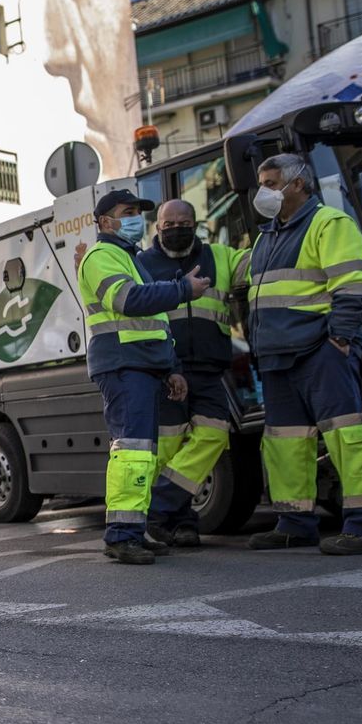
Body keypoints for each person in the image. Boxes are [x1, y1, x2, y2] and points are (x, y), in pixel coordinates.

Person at [237, 153, 362, 555]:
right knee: (285, 444)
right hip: (277, 356)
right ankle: (294, 523)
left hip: (321, 351)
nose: (262, 193)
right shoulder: (266, 237)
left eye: (270, 184)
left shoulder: (329, 223)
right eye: (261, 185)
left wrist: (341, 339)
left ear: (298, 184)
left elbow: (353, 285)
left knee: (345, 438)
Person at [77, 191, 208, 566]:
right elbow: (129, 300)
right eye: (128, 212)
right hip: (123, 365)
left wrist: (170, 368)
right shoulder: (101, 256)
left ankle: (134, 530)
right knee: (131, 452)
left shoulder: (129, 258)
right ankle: (121, 535)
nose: (136, 218)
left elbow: (155, 323)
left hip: (141, 365)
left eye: (138, 212)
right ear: (105, 221)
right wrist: (182, 289)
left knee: (143, 454)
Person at [135, 199, 242, 548]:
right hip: (166, 370)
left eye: (184, 223)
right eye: (169, 224)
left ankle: (158, 507)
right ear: (158, 227)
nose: (176, 229)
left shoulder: (220, 257)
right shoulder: (142, 264)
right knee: (170, 448)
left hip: (210, 368)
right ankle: (181, 524)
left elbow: (259, 265)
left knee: (214, 435)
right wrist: (162, 366)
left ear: (195, 224)